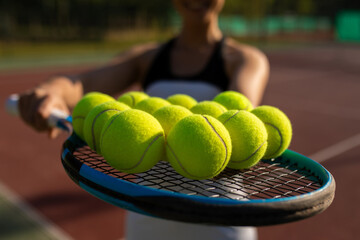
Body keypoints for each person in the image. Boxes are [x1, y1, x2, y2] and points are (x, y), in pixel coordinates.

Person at [18, 0, 269, 239]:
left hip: (220, 217)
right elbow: (84, 83)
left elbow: (242, 117)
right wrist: (53, 90)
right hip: (148, 215)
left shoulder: (244, 59)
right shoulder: (146, 57)